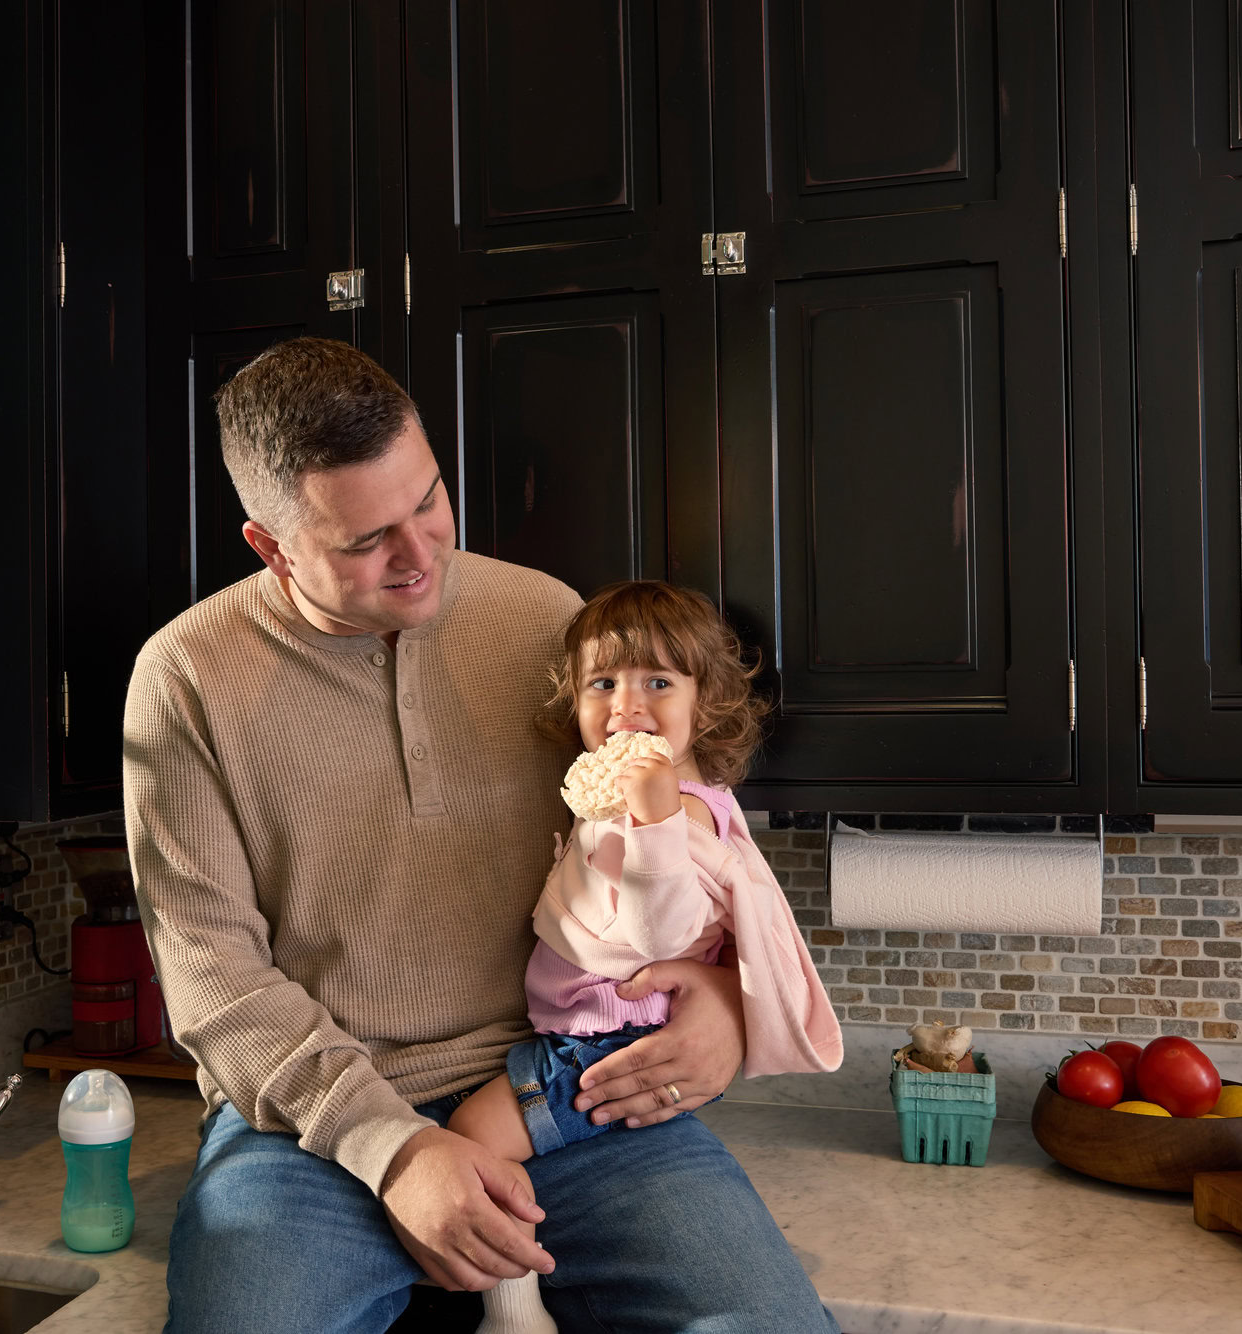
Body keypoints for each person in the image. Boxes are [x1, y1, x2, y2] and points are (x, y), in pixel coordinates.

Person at [123, 337, 844, 1333]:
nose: (421, 554)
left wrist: (725, 997)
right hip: (310, 1136)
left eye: (428, 499)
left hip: (568, 1092)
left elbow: (677, 836)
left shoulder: (545, 616)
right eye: (366, 540)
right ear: (271, 547)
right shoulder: (184, 680)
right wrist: (395, 1150)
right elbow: (215, 982)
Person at [445, 580, 845, 1333]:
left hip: (607, 1043)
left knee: (471, 1139)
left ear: (707, 703)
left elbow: (661, 933)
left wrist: (654, 821)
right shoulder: (632, 796)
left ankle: (515, 1311)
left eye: (658, 682)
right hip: (589, 1032)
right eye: (603, 683)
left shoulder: (679, 810)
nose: (627, 705)